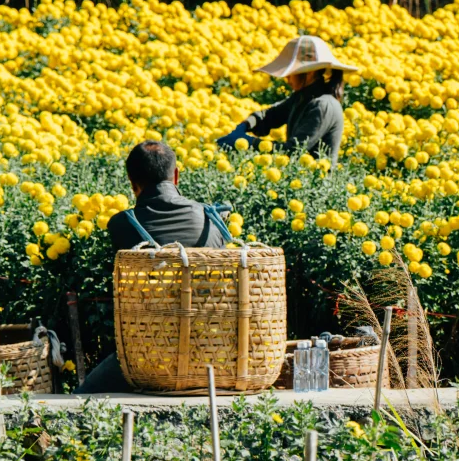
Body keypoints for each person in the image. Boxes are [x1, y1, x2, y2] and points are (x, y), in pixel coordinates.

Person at [74, 140, 227, 394]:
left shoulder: (122, 225)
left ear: (132, 183)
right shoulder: (213, 220)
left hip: (149, 356)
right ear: (176, 175)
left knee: (83, 398)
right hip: (211, 349)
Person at [216, 35, 357, 164]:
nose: (287, 78)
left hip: (316, 186)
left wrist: (249, 142)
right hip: (298, 181)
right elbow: (269, 116)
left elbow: (294, 150)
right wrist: (245, 125)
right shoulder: (303, 97)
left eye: (292, 72)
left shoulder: (322, 106)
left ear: (310, 72)